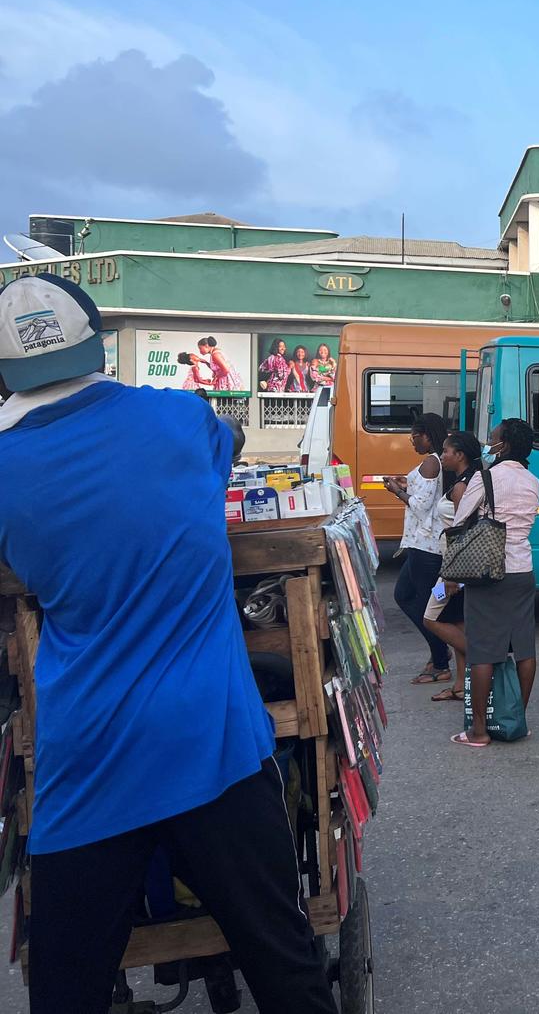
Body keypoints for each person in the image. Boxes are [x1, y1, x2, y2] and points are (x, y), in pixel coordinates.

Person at [0, 274, 336, 1013]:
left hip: (89, 765)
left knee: (66, 989)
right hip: (212, 745)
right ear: (95, 342)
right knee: (288, 970)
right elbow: (231, 438)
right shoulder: (179, 419)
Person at [454, 419, 539, 747]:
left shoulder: (486, 476)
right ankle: (517, 719)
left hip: (488, 570)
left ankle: (478, 731)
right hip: (523, 568)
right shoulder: (533, 481)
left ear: (503, 446)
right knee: (523, 646)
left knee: (483, 650)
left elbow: (462, 518)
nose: (488, 444)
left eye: (493, 439)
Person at [386, 414, 451, 686]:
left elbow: (421, 506)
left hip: (426, 547)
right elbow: (428, 495)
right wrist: (406, 485)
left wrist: (396, 491)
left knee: (428, 605)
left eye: (414, 435)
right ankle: (440, 650)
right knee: (406, 595)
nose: (411, 440)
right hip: (423, 545)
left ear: (426, 435)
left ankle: (440, 661)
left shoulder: (431, 461)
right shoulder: (438, 461)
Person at [424, 431, 479, 704]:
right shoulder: (463, 481)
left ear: (460, 455)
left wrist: (452, 576)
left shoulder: (462, 487)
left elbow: (462, 531)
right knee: (458, 623)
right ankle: (461, 685)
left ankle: (484, 662)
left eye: (446, 451)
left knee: (430, 618)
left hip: (454, 570)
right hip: (453, 567)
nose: (442, 455)